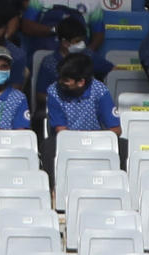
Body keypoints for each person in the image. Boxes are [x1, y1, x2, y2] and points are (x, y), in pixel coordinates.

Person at [41, 53, 122, 188]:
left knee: (123, 146)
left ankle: (119, 187)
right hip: (66, 141)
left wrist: (91, 141)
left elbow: (116, 130)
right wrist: (81, 143)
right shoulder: (54, 91)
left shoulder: (100, 91)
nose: (60, 83)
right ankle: (53, 190)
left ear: (81, 82)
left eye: (66, 80)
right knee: (48, 146)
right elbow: (61, 131)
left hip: (97, 141)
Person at [35, 16, 114, 110]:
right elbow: (40, 95)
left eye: (82, 40)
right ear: (64, 42)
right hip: (59, 109)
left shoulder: (88, 55)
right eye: (77, 41)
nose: (82, 44)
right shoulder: (49, 63)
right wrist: (60, 103)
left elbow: (113, 71)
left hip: (87, 109)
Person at [21, 0, 105, 55]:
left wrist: (88, 52)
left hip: (78, 53)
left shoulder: (94, 2)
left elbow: (99, 34)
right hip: (46, 49)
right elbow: (26, 27)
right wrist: (57, 30)